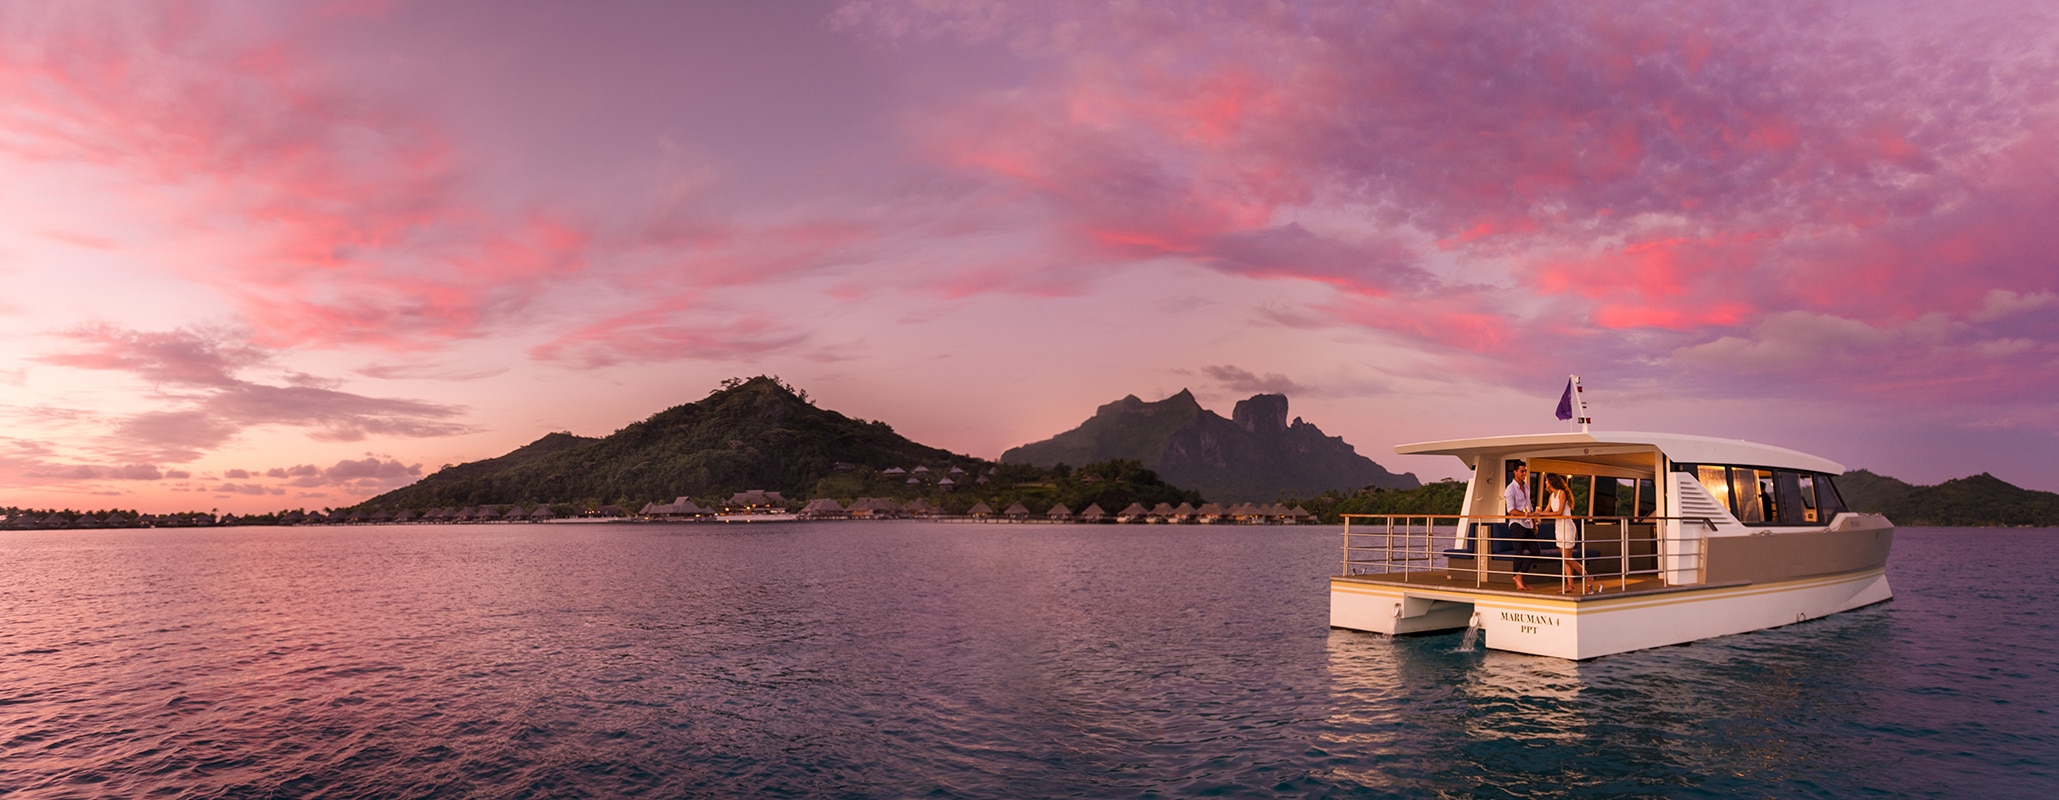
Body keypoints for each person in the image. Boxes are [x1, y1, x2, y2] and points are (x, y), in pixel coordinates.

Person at [1545, 473, 1592, 594]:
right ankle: (1571, 585)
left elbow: (1559, 512)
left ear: (1551, 482)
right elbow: (1546, 511)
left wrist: (1539, 514)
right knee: (1565, 559)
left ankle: (1587, 577)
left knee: (1567, 558)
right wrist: (1535, 514)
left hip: (1567, 527)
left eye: (1546, 481)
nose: (1545, 483)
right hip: (1559, 528)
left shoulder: (1562, 493)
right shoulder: (1552, 496)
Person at [1504, 462, 1540, 590]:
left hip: (1528, 524)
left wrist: (1534, 523)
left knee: (1536, 551)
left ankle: (1519, 575)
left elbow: (1529, 506)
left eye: (1525, 471)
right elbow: (1511, 510)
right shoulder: (1510, 489)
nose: (1524, 474)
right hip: (1517, 524)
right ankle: (1517, 579)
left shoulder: (1527, 486)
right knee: (1518, 552)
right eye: (1522, 471)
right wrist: (1525, 515)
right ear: (1515, 472)